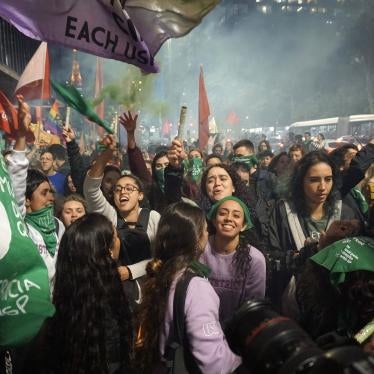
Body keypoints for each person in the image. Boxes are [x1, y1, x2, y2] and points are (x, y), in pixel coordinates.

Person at [136, 202, 241, 373]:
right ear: (196, 237)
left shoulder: (161, 273)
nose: (208, 234)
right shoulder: (196, 287)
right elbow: (213, 362)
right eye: (206, 230)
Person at [37, 213, 133, 374]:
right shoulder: (113, 305)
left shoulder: (61, 306)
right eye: (115, 237)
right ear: (107, 252)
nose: (118, 241)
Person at [268, 151, 364, 309]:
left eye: (328, 179)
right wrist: (302, 255)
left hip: (336, 302)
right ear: (300, 181)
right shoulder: (282, 212)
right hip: (293, 301)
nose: (322, 187)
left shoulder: (345, 213)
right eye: (314, 180)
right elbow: (272, 256)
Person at [83, 134, 160, 304]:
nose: (123, 192)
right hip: (116, 294)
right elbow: (90, 189)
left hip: (150, 293)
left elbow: (161, 256)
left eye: (129, 188)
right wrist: (105, 156)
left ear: (140, 195)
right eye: (118, 189)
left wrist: (130, 271)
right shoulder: (110, 216)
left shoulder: (153, 217)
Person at [201, 196, 266, 324]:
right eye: (223, 213)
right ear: (214, 220)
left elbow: (253, 309)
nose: (229, 218)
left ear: (243, 225)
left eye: (236, 216)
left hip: (237, 331)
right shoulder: (200, 249)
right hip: (201, 324)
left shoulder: (255, 259)